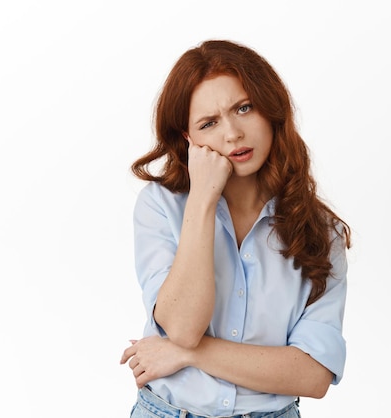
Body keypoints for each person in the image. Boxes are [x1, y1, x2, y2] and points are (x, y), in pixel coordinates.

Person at [120, 39, 351, 418]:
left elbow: (313, 375)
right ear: (189, 140)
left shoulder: (319, 231)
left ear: (270, 109)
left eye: (244, 108)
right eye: (209, 123)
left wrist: (186, 353)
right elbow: (181, 326)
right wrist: (202, 200)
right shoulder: (161, 207)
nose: (232, 134)